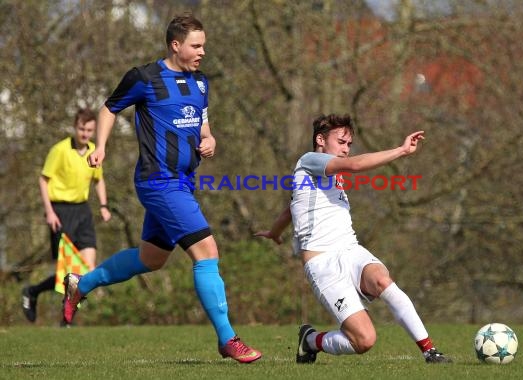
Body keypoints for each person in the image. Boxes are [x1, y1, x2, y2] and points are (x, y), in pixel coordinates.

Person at [60, 13, 261, 364]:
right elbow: (108, 109)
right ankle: (228, 339)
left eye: (204, 46)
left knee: (150, 259)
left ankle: (81, 284)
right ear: (176, 45)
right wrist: (101, 148)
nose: (202, 52)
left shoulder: (200, 83)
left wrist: (209, 139)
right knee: (207, 251)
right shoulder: (145, 77)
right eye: (196, 46)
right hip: (158, 181)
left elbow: (203, 126)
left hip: (183, 182)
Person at [255, 114, 451, 364]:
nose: (346, 149)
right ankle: (311, 340)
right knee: (364, 340)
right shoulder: (309, 160)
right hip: (322, 264)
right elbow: (356, 166)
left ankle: (429, 350)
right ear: (320, 140)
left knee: (383, 280)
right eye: (341, 142)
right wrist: (401, 150)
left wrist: (274, 232)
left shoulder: (322, 174)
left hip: (349, 249)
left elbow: (291, 207)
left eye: (349, 144)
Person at [22, 108, 112, 323]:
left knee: (87, 271)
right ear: (75, 127)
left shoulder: (94, 152)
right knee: (68, 272)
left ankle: (67, 319)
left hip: (82, 211)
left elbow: (98, 180)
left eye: (89, 130)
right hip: (60, 211)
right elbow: (43, 180)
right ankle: (32, 291)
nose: (85, 134)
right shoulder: (60, 150)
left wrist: (104, 205)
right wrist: (50, 212)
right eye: (82, 128)